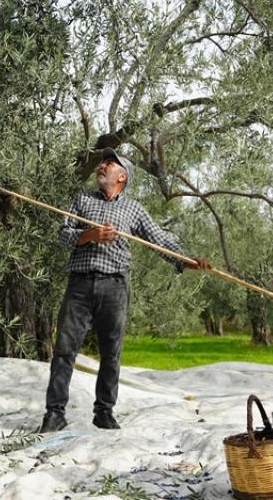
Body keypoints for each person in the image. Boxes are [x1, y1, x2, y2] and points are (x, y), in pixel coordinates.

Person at [38, 147, 211, 433]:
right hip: (80, 284)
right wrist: (89, 235)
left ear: (122, 176)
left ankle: (104, 412)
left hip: (115, 287)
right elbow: (63, 234)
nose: (102, 166)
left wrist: (186, 260)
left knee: (111, 353)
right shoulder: (82, 200)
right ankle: (55, 414)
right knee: (64, 351)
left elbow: (159, 239)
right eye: (103, 162)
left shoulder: (134, 209)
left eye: (110, 163)